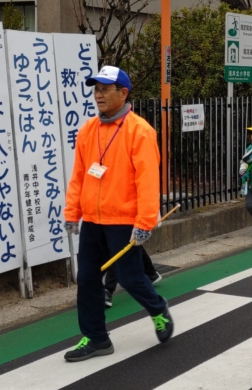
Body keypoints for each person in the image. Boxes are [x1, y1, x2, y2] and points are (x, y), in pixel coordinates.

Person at [64, 66, 172, 363]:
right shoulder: (88, 130)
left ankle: (158, 308)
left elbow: (148, 181)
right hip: (93, 221)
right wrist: (72, 211)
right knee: (87, 278)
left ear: (123, 93)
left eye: (105, 89)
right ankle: (96, 338)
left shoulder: (140, 131)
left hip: (123, 221)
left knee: (129, 277)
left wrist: (145, 222)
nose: (98, 95)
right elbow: (79, 175)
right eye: (95, 89)